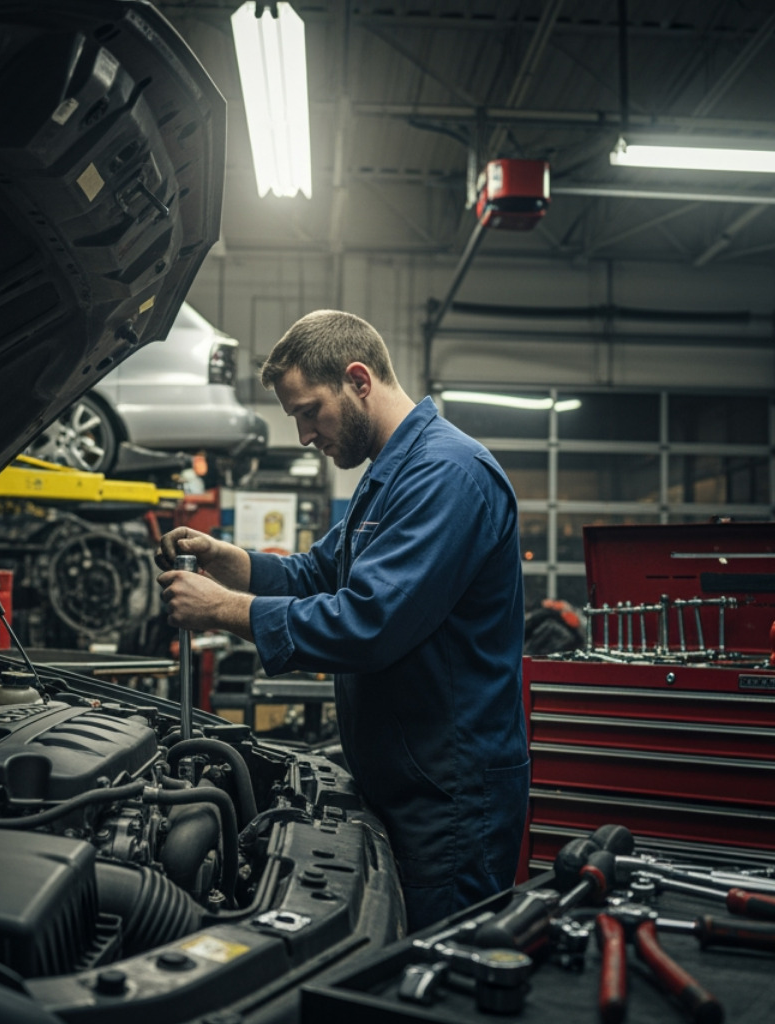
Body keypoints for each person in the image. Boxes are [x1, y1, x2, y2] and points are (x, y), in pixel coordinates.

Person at [155, 309, 529, 932]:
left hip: (449, 797)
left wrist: (220, 609)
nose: (303, 435)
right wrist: (232, 562)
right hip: (406, 779)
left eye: (309, 411)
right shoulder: (389, 475)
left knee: (433, 973)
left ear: (359, 380)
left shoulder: (447, 474)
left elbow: (368, 624)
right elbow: (319, 573)